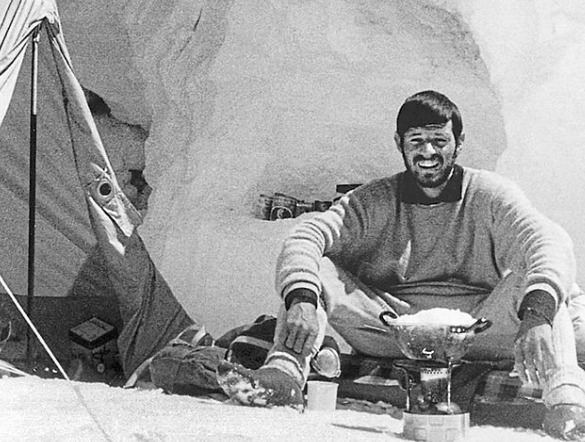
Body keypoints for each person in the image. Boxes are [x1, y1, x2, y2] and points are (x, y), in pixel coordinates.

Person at [216, 90, 585, 439]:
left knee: (554, 290)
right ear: (399, 144)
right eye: (416, 141)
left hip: (478, 328)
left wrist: (536, 317)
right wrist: (301, 300)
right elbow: (306, 235)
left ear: (459, 142)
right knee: (316, 272)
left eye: (439, 141)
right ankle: (283, 377)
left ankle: (567, 404)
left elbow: (547, 239)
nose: (428, 152)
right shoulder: (373, 200)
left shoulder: (489, 194)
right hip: (392, 328)